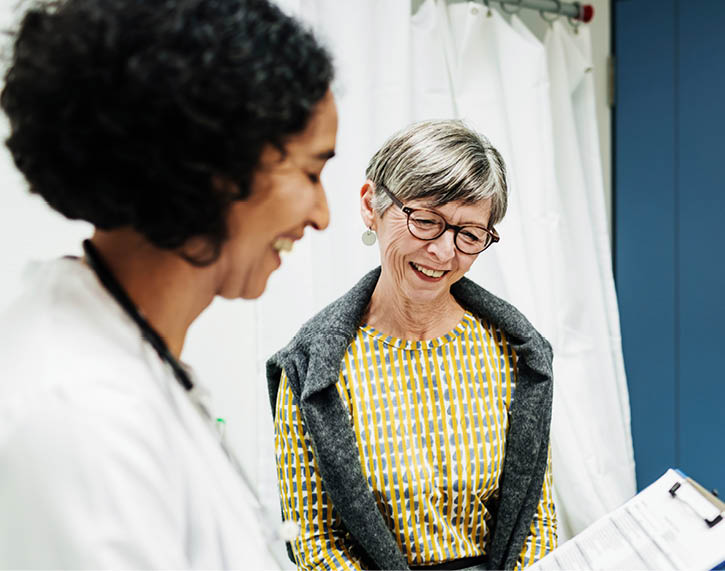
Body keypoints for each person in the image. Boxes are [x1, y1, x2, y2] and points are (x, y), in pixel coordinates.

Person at [0, 0, 337, 567]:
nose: (323, 215)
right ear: (217, 169)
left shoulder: (126, 351)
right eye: (310, 172)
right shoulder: (83, 411)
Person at [268, 120, 557, 571]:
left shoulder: (515, 353)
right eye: (426, 221)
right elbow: (314, 540)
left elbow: (535, 518)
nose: (443, 253)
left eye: (469, 234)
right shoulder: (312, 367)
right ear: (371, 206)